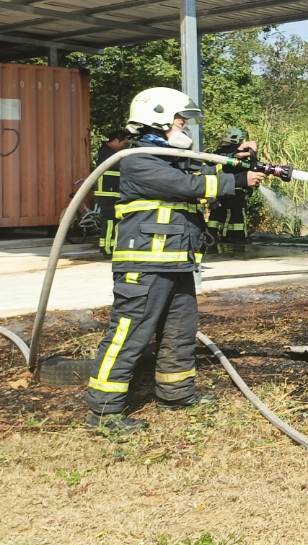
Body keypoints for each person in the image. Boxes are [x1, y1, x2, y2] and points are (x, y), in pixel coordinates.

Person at [83, 87, 264, 433]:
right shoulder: (138, 160)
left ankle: (176, 393)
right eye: (180, 120)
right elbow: (186, 186)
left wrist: (236, 159)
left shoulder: (169, 158)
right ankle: (104, 412)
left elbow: (200, 168)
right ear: (158, 117)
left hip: (177, 262)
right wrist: (237, 179)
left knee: (181, 330)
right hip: (145, 266)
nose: (184, 126)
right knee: (129, 333)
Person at [209, 126, 257, 253]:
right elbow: (251, 170)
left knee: (217, 214)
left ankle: (212, 236)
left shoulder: (217, 153)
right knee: (237, 215)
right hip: (237, 190)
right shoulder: (241, 154)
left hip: (218, 188)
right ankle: (237, 238)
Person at [92, 130, 131, 255]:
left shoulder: (108, 152)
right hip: (107, 194)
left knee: (113, 221)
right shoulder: (108, 154)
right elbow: (122, 166)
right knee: (109, 221)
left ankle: (111, 246)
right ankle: (107, 248)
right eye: (123, 143)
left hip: (111, 193)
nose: (124, 147)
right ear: (115, 141)